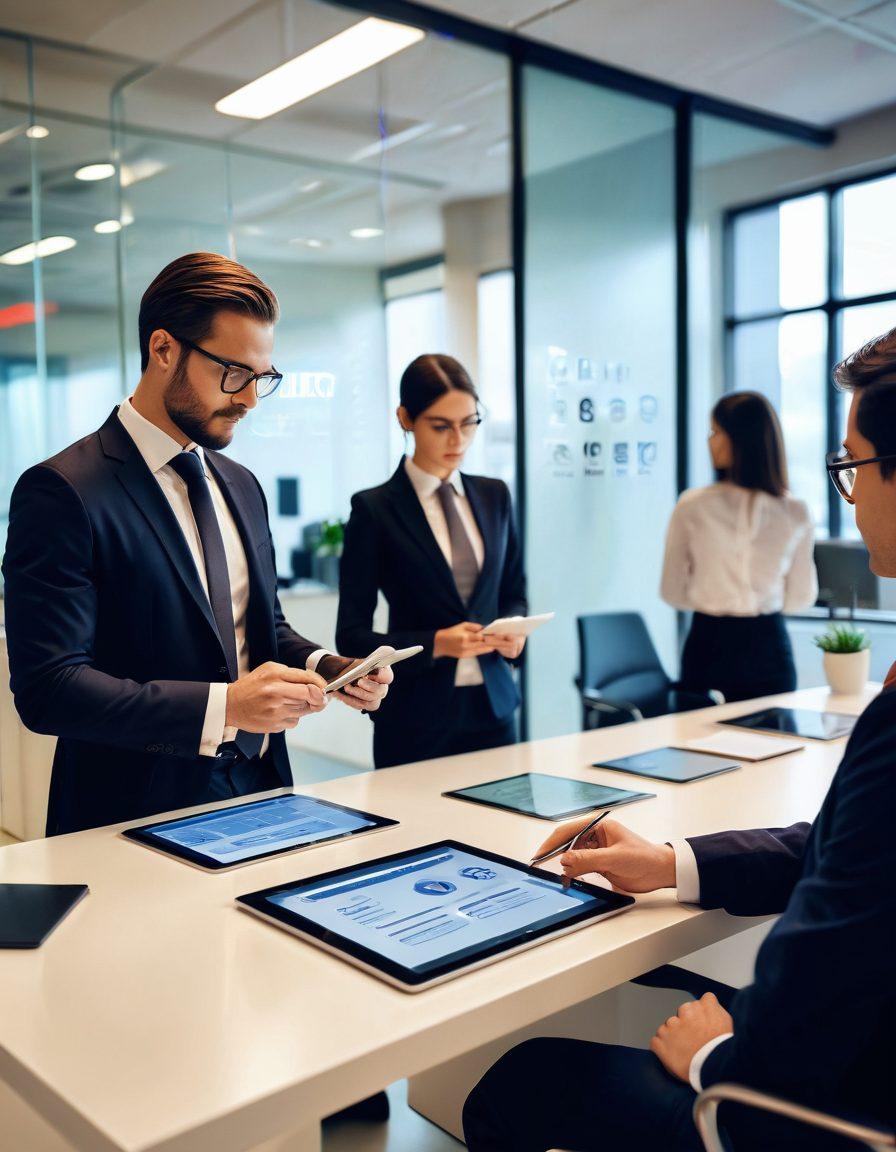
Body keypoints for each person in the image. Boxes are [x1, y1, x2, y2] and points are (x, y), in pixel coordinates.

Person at [463, 331, 896, 1151]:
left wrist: (719, 1058)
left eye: (854, 465)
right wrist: (674, 863)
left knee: (518, 1083)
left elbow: (825, 978)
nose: (848, 494)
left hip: (822, 1110)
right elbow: (850, 855)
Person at [1, 252, 391, 837]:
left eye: (262, 378)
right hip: (130, 814)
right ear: (163, 349)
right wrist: (227, 707)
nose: (251, 399)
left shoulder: (240, 484)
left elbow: (264, 627)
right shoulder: (62, 490)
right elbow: (49, 689)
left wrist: (329, 666)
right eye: (233, 373)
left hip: (264, 789)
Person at [336, 354, 527, 768]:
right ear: (405, 418)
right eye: (441, 426)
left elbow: (514, 592)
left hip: (495, 709)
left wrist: (514, 632)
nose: (458, 440)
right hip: (415, 719)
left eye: (469, 423)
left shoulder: (495, 496)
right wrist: (437, 643)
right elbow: (350, 636)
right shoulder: (374, 509)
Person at [661, 391, 817, 702]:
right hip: (736, 643)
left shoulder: (795, 511)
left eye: (716, 431)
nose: (710, 441)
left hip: (735, 642)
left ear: (743, 438)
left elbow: (674, 590)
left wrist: (711, 596)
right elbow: (798, 596)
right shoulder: (693, 505)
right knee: (700, 747)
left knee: (771, 745)